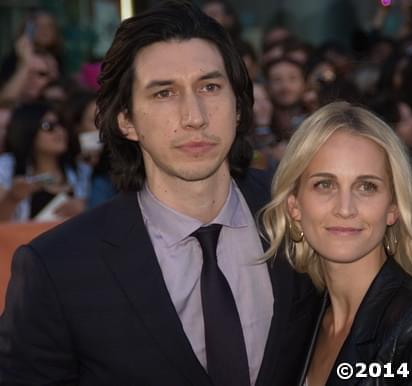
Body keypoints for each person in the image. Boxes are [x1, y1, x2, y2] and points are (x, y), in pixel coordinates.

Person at [0, 2, 320, 385]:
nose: (194, 116)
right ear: (126, 120)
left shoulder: (306, 212)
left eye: (210, 87)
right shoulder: (57, 267)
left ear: (238, 105)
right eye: (164, 93)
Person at [261, 101, 412, 386]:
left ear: (393, 208)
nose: (345, 208)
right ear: (294, 206)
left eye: (367, 187)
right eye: (325, 184)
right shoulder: (300, 320)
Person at [0, 101, 90, 222]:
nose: (60, 131)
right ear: (27, 130)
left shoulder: (80, 168)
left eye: (61, 124)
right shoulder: (6, 167)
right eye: (48, 126)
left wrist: (85, 209)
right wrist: (12, 199)